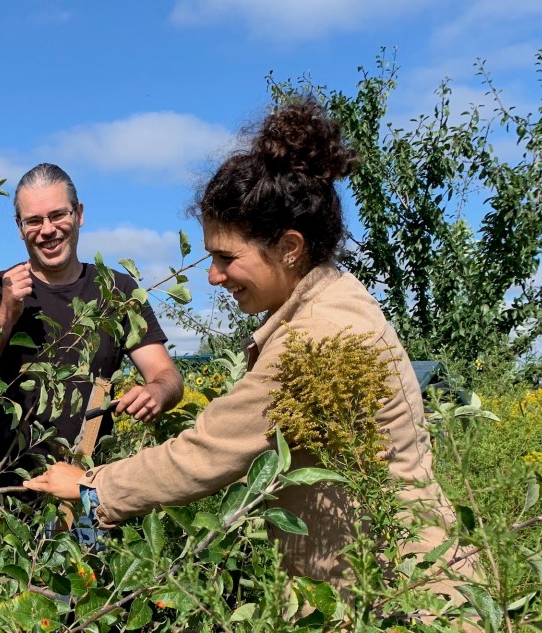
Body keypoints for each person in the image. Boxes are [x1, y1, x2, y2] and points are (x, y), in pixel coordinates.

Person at [24, 100, 474, 596]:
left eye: (225, 257)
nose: (213, 276)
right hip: (383, 587)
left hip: (399, 604)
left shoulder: (320, 336)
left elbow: (208, 453)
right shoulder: (332, 302)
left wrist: (92, 489)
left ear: (289, 247)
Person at [0, 163, 183, 490]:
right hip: (2, 493)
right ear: (20, 228)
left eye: (58, 215)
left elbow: (167, 376)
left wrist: (157, 392)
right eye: (33, 220)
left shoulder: (116, 291)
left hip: (86, 491)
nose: (47, 230)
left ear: (79, 214)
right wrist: (6, 312)